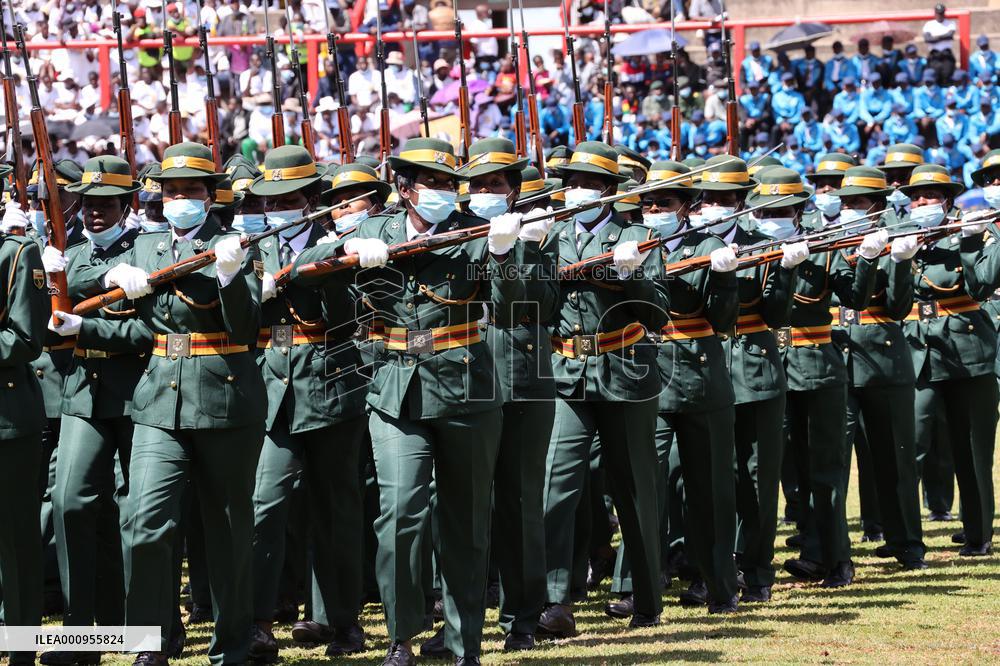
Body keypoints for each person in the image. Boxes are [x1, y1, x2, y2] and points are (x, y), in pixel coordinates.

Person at [290, 137, 525, 666]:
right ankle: (401, 637)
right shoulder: (377, 229)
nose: (442, 191)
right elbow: (303, 267)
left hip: (466, 387)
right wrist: (344, 250)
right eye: (431, 182)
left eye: (448, 183)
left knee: (466, 521)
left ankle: (464, 643)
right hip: (395, 387)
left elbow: (513, 307)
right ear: (404, 187)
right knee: (398, 514)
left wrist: (505, 253)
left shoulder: (476, 232)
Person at [72, 142, 267, 666]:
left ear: (210, 195)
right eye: (172, 191)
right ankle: (151, 641)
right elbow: (78, 278)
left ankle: (231, 647)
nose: (180, 199)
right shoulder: (147, 246)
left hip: (225, 397)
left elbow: (246, 329)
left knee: (228, 530)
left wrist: (231, 277)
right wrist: (107, 278)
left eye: (191, 191)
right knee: (144, 521)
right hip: (159, 400)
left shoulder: (235, 245)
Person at [537, 141, 668, 637]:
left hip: (624, 370)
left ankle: (646, 597)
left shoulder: (639, 237)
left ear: (610, 191)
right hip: (567, 373)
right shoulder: (550, 238)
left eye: (590, 184)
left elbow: (657, 315)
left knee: (634, 488)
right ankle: (555, 601)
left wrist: (633, 276)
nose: (579, 191)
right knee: (556, 484)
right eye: (572, 183)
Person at [245, 146, 369, 662]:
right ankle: (258, 622)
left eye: (289, 199)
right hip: (271, 389)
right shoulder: (252, 248)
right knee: (265, 504)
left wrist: (328, 262)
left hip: (330, 383)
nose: (277, 209)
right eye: (270, 200)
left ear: (312, 200)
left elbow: (358, 311)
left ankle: (343, 622)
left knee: (337, 510)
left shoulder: (340, 244)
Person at [611, 157, 742, 615]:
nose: (653, 211)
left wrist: (725, 279)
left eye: (663, 203)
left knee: (710, 489)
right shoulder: (626, 243)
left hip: (699, 375)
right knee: (644, 487)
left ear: (686, 205)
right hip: (645, 375)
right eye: (646, 204)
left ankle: (718, 585)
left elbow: (723, 322)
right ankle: (634, 585)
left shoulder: (707, 246)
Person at [40, 157, 150, 665]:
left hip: (138, 391)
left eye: (107, 204)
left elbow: (151, 331)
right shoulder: (71, 254)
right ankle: (79, 631)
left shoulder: (147, 251)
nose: (95, 213)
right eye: (87, 203)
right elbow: (46, 320)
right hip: (83, 391)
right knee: (71, 502)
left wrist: (89, 326)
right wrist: (47, 279)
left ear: (126, 204)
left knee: (137, 511)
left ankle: (144, 623)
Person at [779, 166, 885, 588]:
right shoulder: (744, 248)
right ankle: (798, 551)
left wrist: (869, 260)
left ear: (798, 211)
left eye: (783, 210)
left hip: (816, 367)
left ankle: (834, 557)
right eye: (766, 210)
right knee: (779, 470)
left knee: (824, 468)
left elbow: (854, 298)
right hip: (763, 367)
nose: (774, 218)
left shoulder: (821, 247)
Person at [827, 165, 928, 570]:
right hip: (836, 355)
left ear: (878, 205)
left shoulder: (895, 238)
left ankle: (907, 543)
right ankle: (834, 551)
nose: (849, 208)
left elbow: (900, 307)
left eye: (858, 202)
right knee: (833, 461)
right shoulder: (828, 240)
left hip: (884, 358)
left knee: (896, 457)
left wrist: (900, 261)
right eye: (845, 202)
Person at [903, 162, 999, 557]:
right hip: (916, 352)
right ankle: (907, 541)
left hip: (967, 351)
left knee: (972, 450)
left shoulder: (971, 232)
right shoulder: (902, 235)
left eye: (930, 196)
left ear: (947, 200)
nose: (922, 202)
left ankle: (978, 535)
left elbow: (981, 286)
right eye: (915, 197)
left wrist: (972, 242)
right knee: (909, 447)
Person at [0, 177, 49, 666]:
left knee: (15, 540)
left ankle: (19, 645)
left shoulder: (16, 253)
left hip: (7, 416)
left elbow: (25, 338)